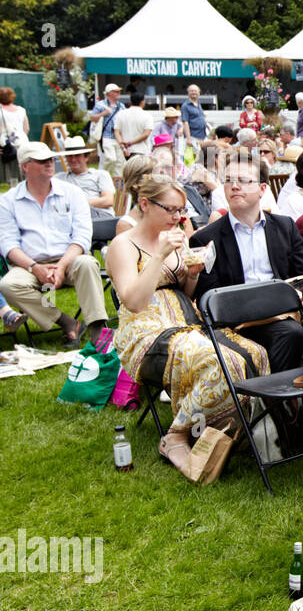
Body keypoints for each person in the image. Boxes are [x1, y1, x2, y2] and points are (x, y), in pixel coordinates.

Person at [105, 173, 270, 474]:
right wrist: (159, 255)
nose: (179, 217)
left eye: (181, 210)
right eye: (170, 209)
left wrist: (192, 273)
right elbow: (134, 301)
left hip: (187, 323)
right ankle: (177, 434)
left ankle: (231, 429)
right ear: (145, 203)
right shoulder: (123, 245)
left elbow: (184, 293)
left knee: (255, 353)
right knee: (218, 362)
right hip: (147, 335)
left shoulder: (174, 238)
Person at [189, 150, 303, 372]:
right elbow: (208, 294)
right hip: (233, 323)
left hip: (281, 315)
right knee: (288, 335)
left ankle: (279, 399)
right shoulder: (206, 239)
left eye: (243, 180)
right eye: (229, 181)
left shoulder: (285, 227)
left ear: (263, 189)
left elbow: (300, 278)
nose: (234, 186)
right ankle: (276, 400)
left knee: (296, 333)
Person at [0, 142, 107, 347]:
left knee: (87, 263)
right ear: (25, 166)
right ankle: (68, 323)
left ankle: (97, 330)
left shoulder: (73, 193)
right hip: (30, 264)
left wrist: (62, 265)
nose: (50, 163)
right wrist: (34, 267)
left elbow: (82, 236)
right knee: (8, 285)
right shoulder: (8, 200)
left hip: (70, 258)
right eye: (42, 160)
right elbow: (8, 243)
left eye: (51, 159)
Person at [55, 137, 115, 218]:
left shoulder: (100, 175)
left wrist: (78, 204)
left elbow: (108, 200)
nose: (73, 159)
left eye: (77, 156)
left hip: (99, 216)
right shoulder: (59, 178)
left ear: (86, 157)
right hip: (71, 217)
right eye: (70, 156)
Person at [87, 83, 126, 177]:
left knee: (120, 162)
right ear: (109, 93)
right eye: (116, 91)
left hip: (119, 137)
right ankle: (102, 176)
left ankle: (118, 183)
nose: (118, 93)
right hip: (106, 136)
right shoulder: (101, 105)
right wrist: (103, 113)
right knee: (110, 158)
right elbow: (92, 117)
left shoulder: (121, 106)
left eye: (118, 91)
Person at [115, 92, 153, 159]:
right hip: (141, 150)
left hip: (124, 152)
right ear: (142, 102)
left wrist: (123, 146)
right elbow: (146, 134)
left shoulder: (121, 114)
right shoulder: (147, 115)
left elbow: (116, 132)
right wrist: (130, 143)